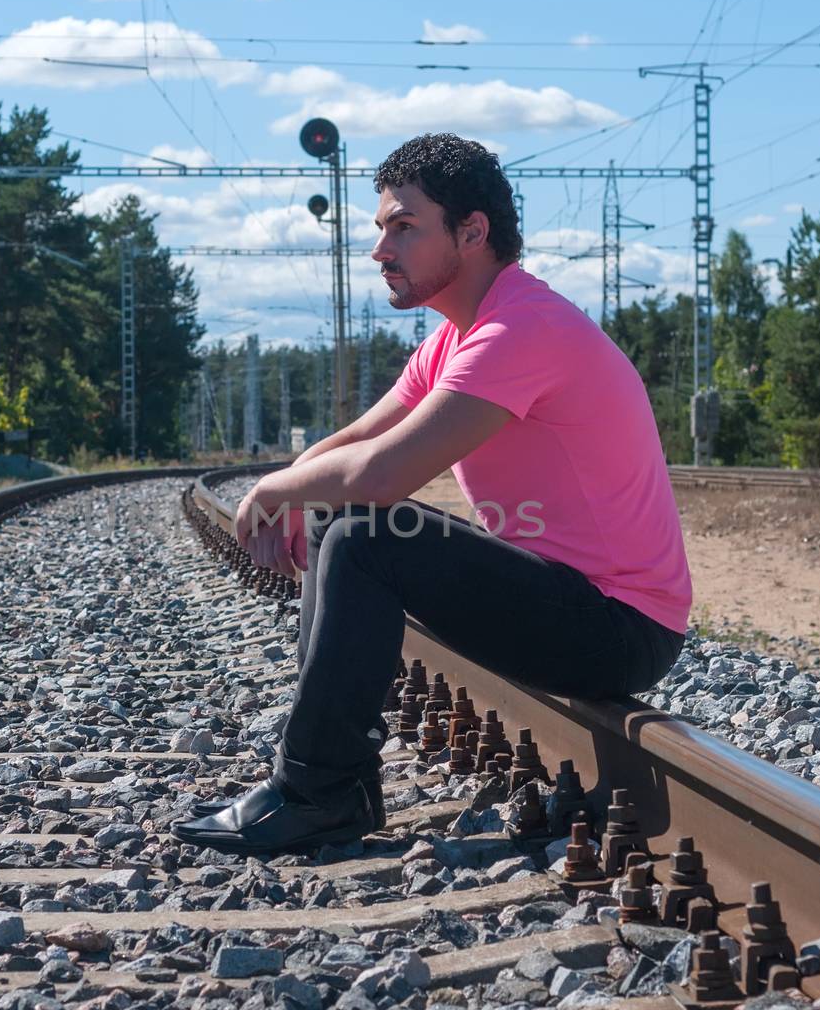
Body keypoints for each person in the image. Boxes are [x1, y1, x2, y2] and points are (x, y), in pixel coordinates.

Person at [174, 133, 691, 857]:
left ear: (471, 231)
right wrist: (295, 495)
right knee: (340, 522)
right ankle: (330, 783)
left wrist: (271, 489)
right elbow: (349, 445)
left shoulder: (521, 329)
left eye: (403, 227)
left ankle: (317, 790)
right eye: (380, 228)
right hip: (565, 598)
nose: (380, 250)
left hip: (618, 625)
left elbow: (381, 475)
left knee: (364, 533)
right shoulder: (454, 338)